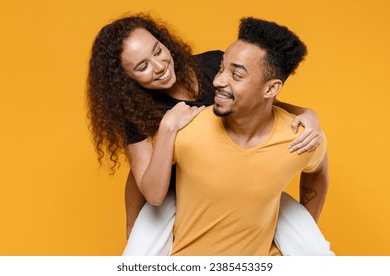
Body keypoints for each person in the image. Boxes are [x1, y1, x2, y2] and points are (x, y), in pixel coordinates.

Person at [87, 13, 329, 256]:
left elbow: (257, 101)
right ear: (126, 80)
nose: (159, 66)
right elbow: (150, 189)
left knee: (316, 251)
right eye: (142, 67)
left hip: (240, 181)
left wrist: (307, 113)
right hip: (171, 187)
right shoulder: (134, 111)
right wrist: (168, 126)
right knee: (136, 258)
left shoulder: (212, 65)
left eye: (158, 51)